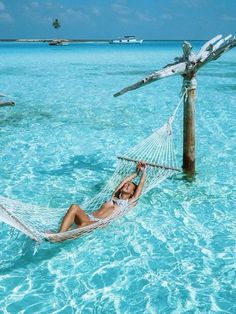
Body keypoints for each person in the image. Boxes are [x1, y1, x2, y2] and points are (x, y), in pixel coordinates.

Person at [58, 160, 146, 233]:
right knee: (74, 207)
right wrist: (135, 173)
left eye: (129, 186)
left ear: (132, 193)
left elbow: (141, 185)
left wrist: (143, 171)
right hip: (88, 218)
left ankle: (60, 236)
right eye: (125, 185)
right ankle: (60, 234)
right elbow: (123, 181)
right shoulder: (114, 196)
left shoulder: (129, 202)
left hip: (97, 224)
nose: (125, 185)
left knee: (82, 225)